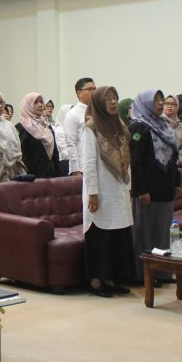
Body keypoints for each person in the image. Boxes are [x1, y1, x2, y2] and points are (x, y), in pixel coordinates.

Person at [80, 86, 134, 297]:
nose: (113, 102)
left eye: (115, 98)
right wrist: (92, 193)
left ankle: (110, 278)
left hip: (118, 189)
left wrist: (128, 187)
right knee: (100, 236)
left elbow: (126, 159)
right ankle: (95, 281)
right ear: (98, 103)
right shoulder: (91, 127)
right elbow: (88, 163)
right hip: (101, 191)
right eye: (108, 99)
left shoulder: (119, 125)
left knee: (116, 236)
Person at [128, 90, 180, 283]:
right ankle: (144, 273)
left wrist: (176, 182)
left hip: (165, 187)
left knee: (162, 231)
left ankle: (162, 271)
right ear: (146, 103)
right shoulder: (138, 127)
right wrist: (141, 190)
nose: (160, 103)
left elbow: (173, 157)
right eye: (156, 100)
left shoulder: (165, 125)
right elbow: (135, 162)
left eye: (161, 99)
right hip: (147, 190)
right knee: (145, 233)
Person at [15, 92, 63, 179]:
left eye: (41, 102)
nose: (40, 105)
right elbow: (21, 155)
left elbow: (55, 152)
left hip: (50, 174)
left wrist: (59, 174)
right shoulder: (21, 127)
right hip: (31, 176)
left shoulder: (46, 125)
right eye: (36, 102)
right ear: (28, 105)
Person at [62, 78, 97, 175]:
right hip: (82, 168)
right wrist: (76, 170)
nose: (93, 92)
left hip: (98, 166)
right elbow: (70, 143)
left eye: (94, 89)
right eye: (89, 89)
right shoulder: (72, 114)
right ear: (79, 93)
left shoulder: (98, 112)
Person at [163, 95, 182, 176]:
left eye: (173, 104)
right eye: (167, 103)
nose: (170, 106)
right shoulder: (155, 122)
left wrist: (177, 161)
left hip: (176, 168)